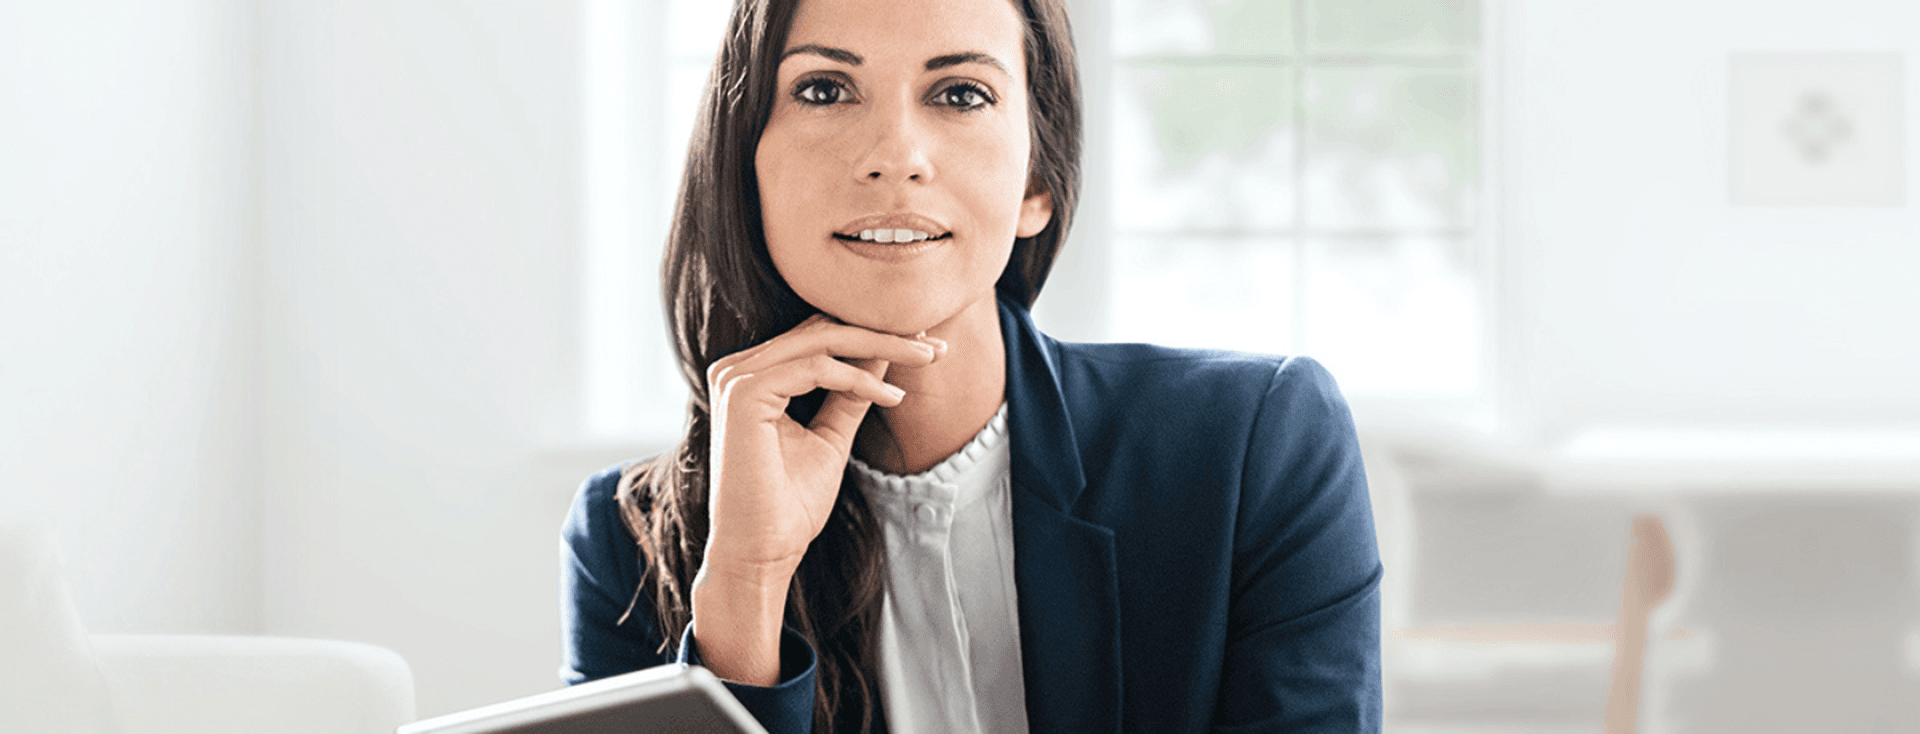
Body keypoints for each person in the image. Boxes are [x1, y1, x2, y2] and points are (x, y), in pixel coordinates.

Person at [558, 0, 1383, 731]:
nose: (894, 155)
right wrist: (745, 590)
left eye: (960, 94)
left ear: (1038, 183)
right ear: (746, 169)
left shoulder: (1256, 446)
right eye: (824, 89)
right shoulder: (628, 545)